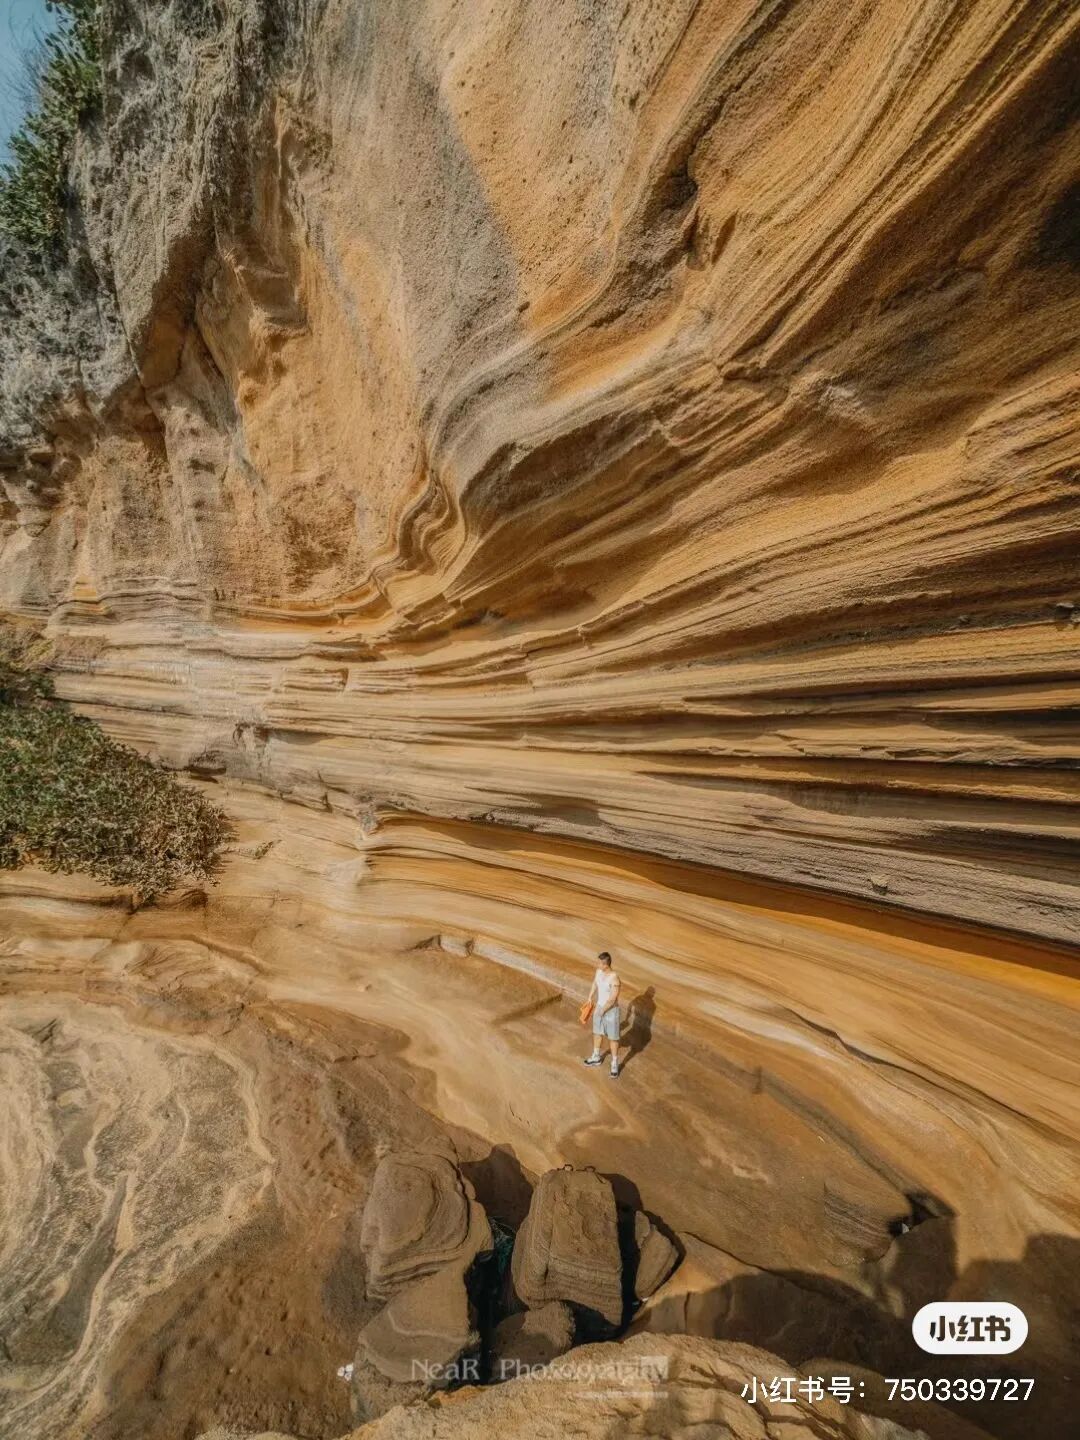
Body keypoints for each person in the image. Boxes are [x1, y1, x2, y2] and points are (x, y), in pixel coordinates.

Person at [584, 951, 621, 1077]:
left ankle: (614, 1063)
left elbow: (612, 998)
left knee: (613, 1038)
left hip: (611, 1011)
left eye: (600, 963)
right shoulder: (599, 972)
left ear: (606, 965)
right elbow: (595, 983)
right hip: (600, 1007)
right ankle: (596, 1056)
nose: (598, 964)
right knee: (597, 1032)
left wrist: (602, 1010)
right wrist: (590, 997)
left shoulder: (614, 978)